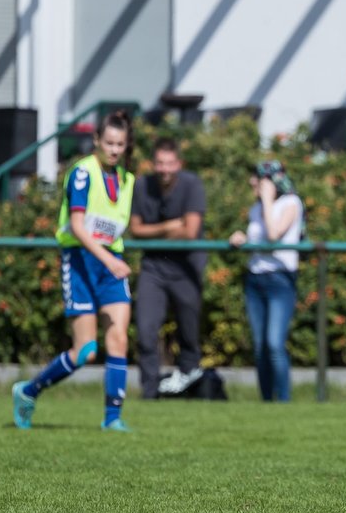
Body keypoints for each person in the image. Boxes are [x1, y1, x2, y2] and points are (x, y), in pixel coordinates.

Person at [12, 111, 135, 432]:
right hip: (81, 261)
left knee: (118, 339)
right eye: (109, 142)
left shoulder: (127, 179)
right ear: (96, 140)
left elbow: (117, 226)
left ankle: (112, 419)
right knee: (86, 352)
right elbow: (78, 228)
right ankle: (29, 391)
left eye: (120, 144)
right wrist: (108, 260)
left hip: (111, 264)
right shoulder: (83, 173)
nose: (114, 149)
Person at [129, 137, 207, 399]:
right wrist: (170, 226)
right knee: (145, 330)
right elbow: (136, 229)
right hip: (153, 267)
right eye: (160, 163)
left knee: (189, 333)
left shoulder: (192, 184)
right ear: (153, 164)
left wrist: (155, 232)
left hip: (187, 266)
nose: (164, 169)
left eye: (170, 163)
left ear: (179, 164)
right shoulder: (142, 186)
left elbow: (191, 232)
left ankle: (190, 388)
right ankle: (149, 393)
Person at [228, 161, 304, 402]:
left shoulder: (291, 203)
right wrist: (241, 238)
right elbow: (257, 241)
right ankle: (266, 401)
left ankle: (283, 401)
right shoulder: (255, 209)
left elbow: (273, 236)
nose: (253, 183)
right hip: (255, 279)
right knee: (260, 346)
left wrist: (269, 200)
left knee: (274, 343)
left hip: (280, 280)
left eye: (258, 179)